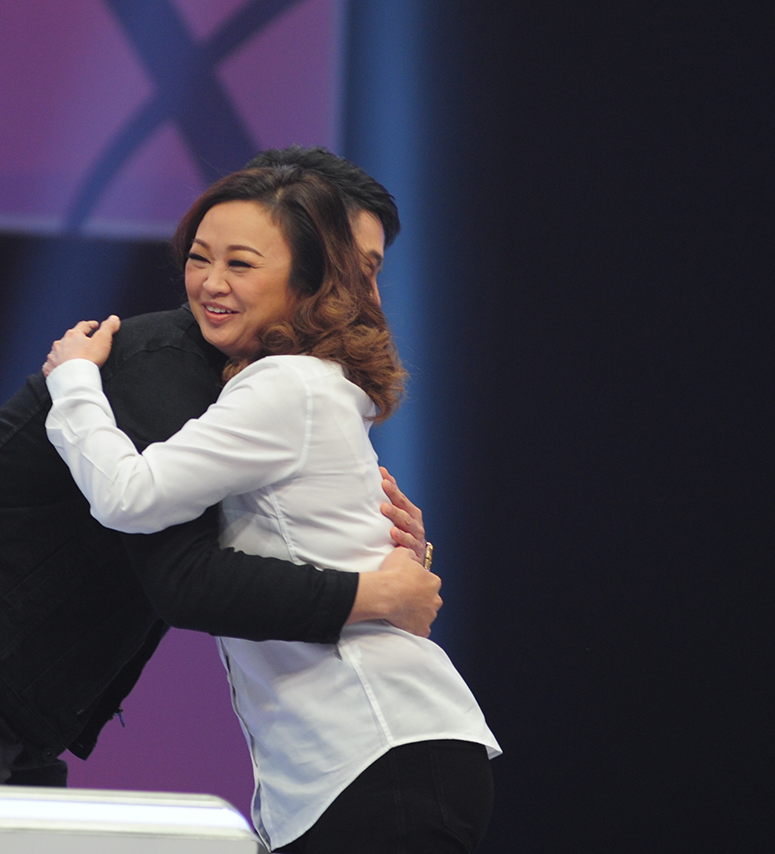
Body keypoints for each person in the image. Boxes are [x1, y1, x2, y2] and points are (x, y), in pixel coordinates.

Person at [0, 151, 443, 854]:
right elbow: (181, 576)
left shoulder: (269, 385)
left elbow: (291, 537)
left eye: (371, 270)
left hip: (8, 697)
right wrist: (375, 594)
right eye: (201, 259)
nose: (361, 291)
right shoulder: (168, 368)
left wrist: (394, 554)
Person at [43, 165, 500, 853]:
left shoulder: (287, 385)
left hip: (378, 750)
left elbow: (129, 496)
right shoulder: (305, 386)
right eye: (199, 259)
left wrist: (75, 382)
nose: (211, 283)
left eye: (241, 263)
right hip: (363, 762)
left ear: (307, 281)